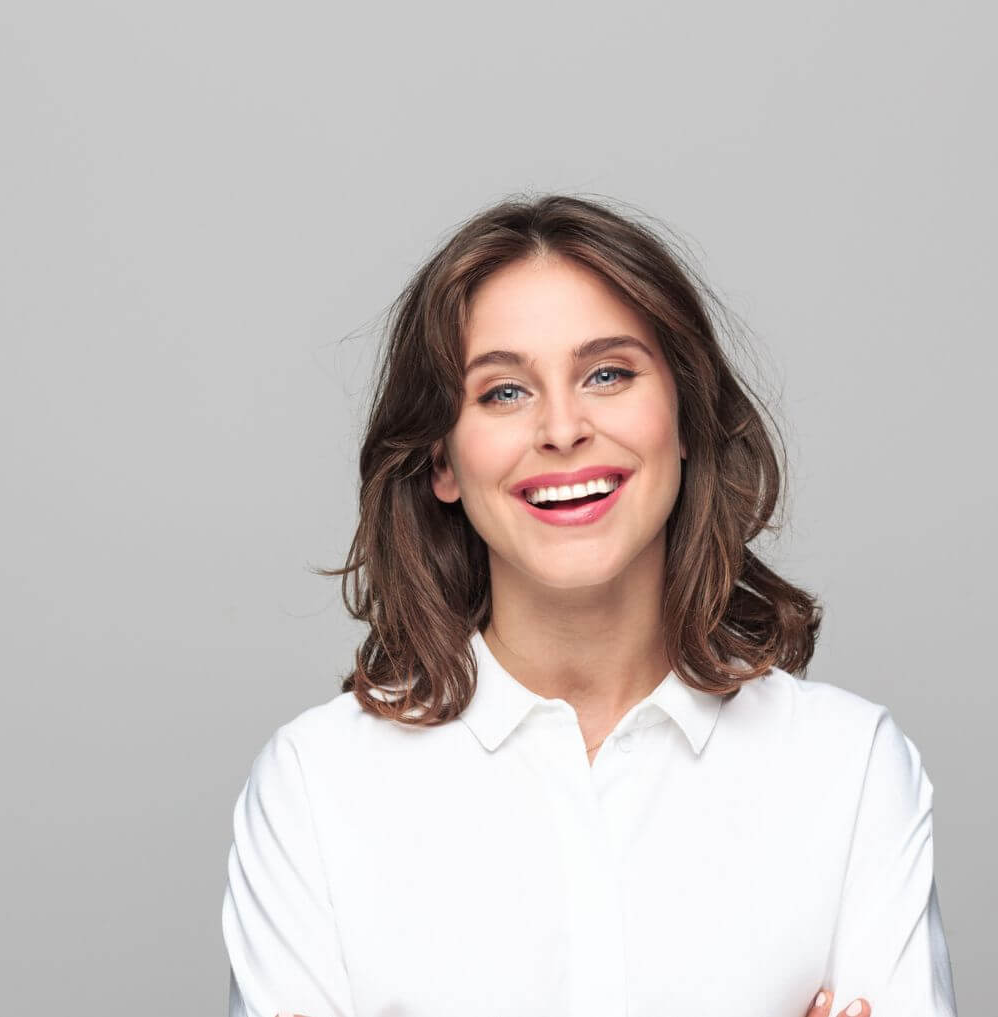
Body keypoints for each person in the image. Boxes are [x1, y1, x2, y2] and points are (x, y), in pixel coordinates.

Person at [220, 194, 958, 1017]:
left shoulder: (848, 770)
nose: (563, 428)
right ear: (441, 460)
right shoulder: (315, 788)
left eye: (607, 373)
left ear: (683, 417)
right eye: (503, 392)